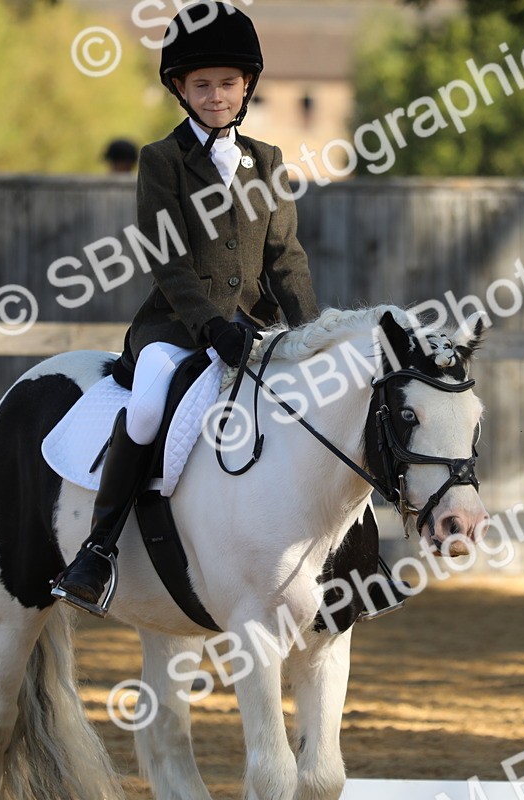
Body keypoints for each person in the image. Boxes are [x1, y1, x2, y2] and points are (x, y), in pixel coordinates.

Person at [51, 2, 318, 614]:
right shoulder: (162, 160)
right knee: (146, 408)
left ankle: (337, 551)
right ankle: (98, 550)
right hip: (175, 329)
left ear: (246, 86)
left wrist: (311, 335)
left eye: (227, 83)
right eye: (202, 85)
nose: (216, 95)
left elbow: (286, 259)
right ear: (180, 89)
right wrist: (209, 325)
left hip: (253, 329)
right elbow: (167, 260)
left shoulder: (268, 161)